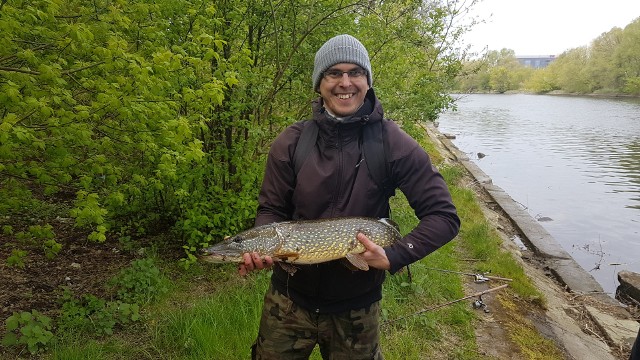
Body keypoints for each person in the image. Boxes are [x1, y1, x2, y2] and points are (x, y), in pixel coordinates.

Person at [239, 34, 460, 359]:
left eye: (355, 72)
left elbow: (444, 216)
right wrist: (262, 245)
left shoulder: (393, 143)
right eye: (334, 73)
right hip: (288, 301)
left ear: (368, 81)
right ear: (319, 83)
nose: (345, 82)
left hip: (357, 308)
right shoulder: (291, 142)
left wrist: (396, 255)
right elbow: (271, 209)